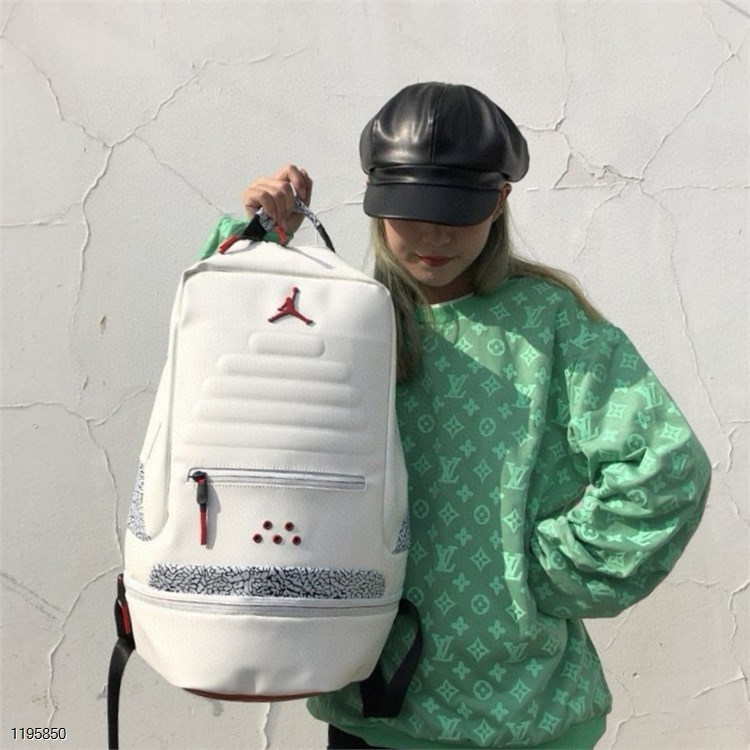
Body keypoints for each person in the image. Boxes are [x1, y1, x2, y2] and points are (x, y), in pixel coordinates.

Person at [202, 83, 711, 749]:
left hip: (529, 717)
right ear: (374, 198)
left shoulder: (547, 322)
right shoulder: (344, 319)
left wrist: (538, 572)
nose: (435, 234)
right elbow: (221, 385)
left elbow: (665, 466)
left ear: (499, 201)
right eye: (414, 211)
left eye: (457, 212)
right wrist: (254, 243)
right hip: (377, 713)